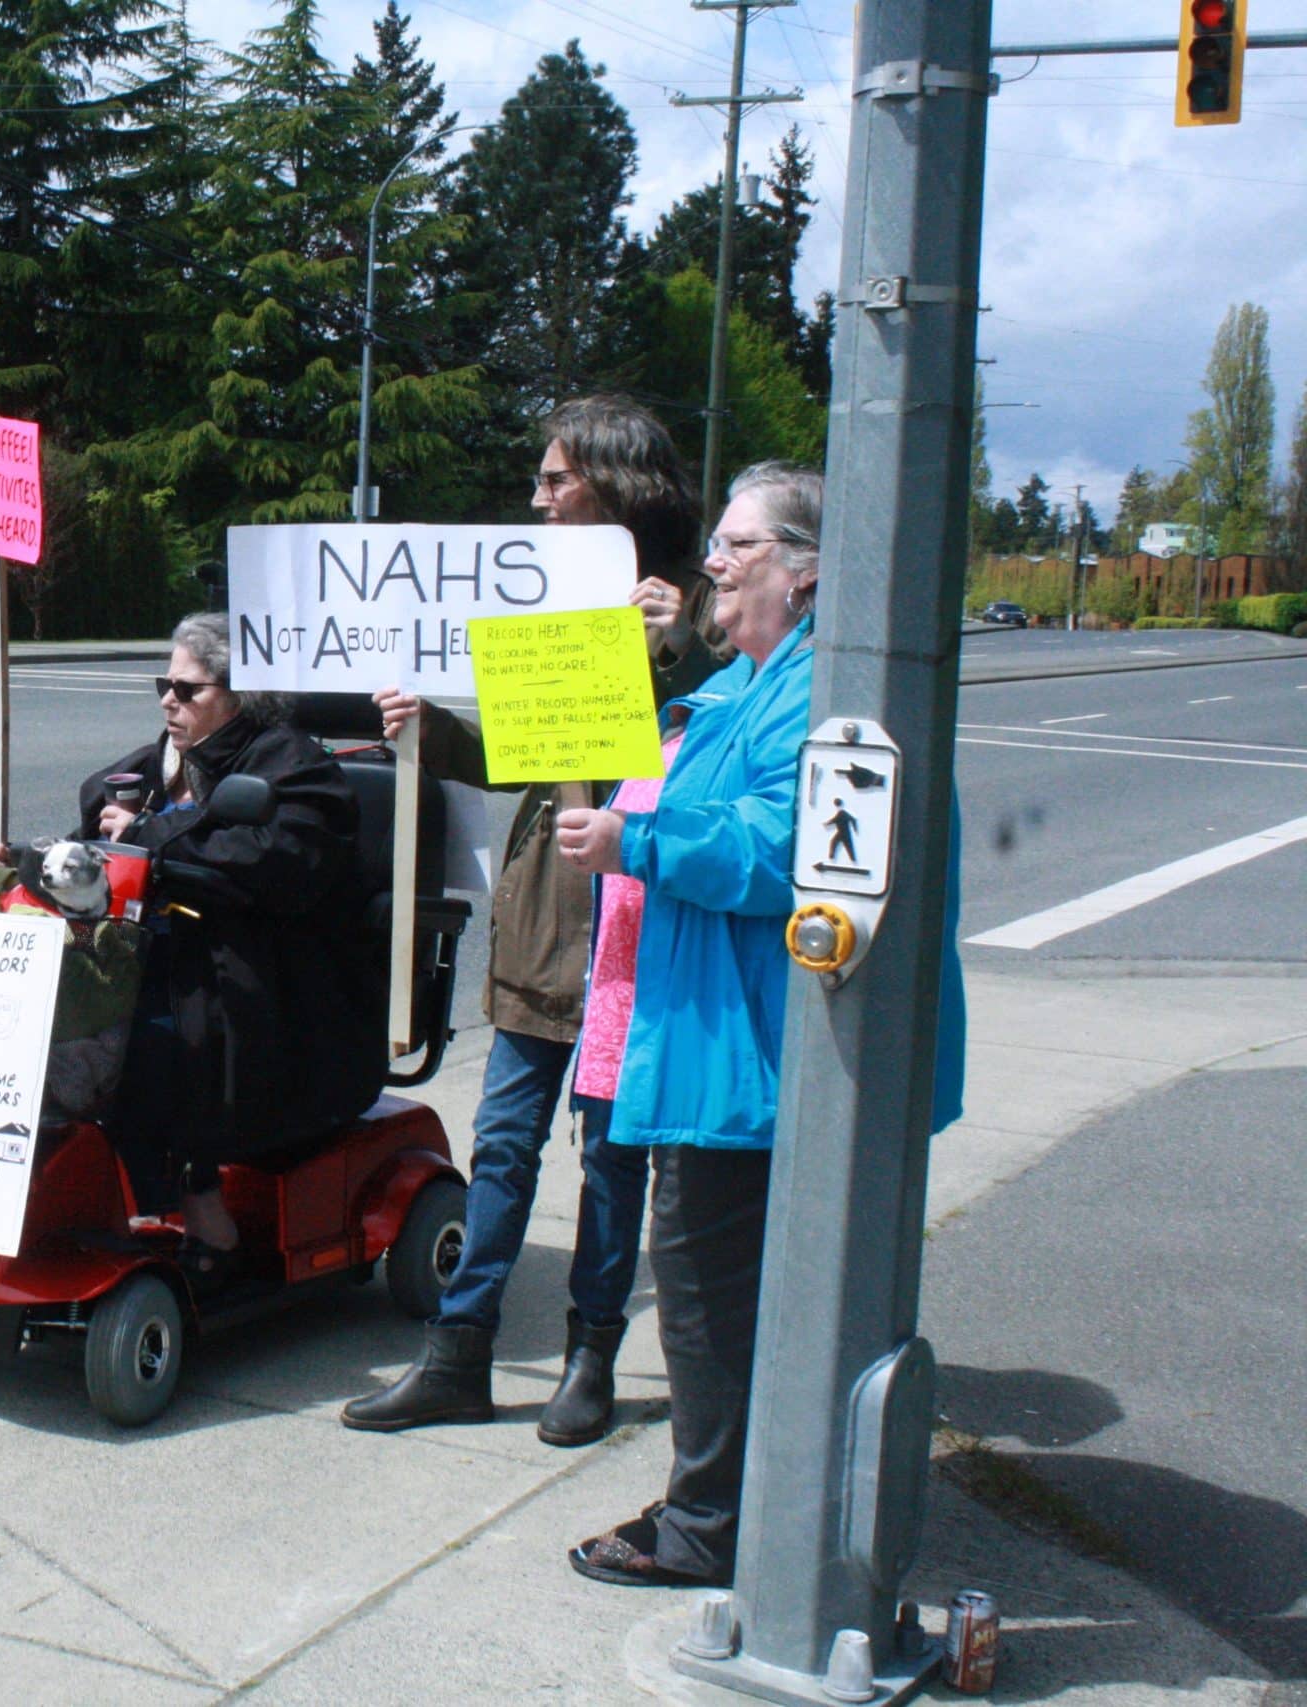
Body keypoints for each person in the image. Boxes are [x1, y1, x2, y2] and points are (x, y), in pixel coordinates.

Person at [552, 461, 965, 1589]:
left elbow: (790, 857)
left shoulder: (825, 690)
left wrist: (635, 841)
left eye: (736, 548)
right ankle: (734, 1501)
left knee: (706, 1304)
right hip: (722, 1044)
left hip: (756, 1060)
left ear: (806, 566)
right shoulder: (756, 680)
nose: (711, 565)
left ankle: (708, 1530)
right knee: (725, 1303)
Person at [343, 395, 720, 1446]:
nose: (537, 497)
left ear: (612, 481)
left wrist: (683, 648)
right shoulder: (556, 604)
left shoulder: (694, 607)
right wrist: (433, 733)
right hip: (540, 931)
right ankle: (458, 1357)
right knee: (502, 1150)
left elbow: (733, 739)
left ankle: (587, 1361)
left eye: (555, 479)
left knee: (612, 1162)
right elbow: (528, 754)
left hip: (633, 944)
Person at [0, 611, 385, 1285]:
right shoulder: (161, 765)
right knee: (47, 1016)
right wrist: (36, 862)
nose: (169, 701)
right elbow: (101, 837)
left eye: (188, 688)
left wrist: (155, 833)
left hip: (272, 980)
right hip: (175, 958)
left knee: (151, 1035)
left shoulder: (294, 766)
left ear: (240, 695)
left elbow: (272, 862)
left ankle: (203, 1208)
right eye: (162, 685)